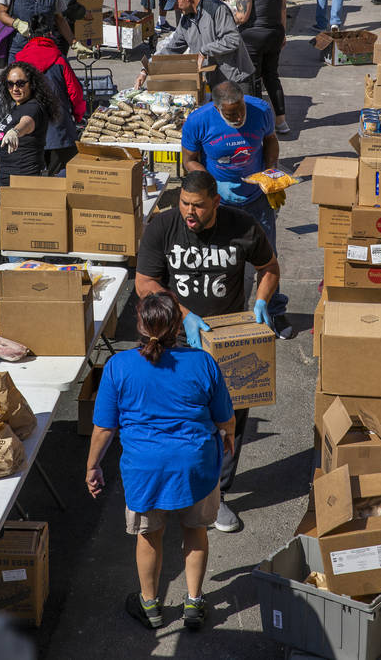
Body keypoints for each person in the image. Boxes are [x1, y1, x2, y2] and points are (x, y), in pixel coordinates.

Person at [135, 171, 279, 532]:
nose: (189, 212)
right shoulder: (164, 226)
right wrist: (182, 316)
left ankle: (217, 496)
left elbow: (269, 267)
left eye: (198, 206)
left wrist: (261, 300)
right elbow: (144, 283)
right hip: (174, 343)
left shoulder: (241, 225)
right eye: (185, 203)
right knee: (177, 419)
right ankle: (172, 493)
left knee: (229, 420)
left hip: (228, 342)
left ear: (216, 202)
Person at [87, 290, 234, 631]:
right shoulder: (203, 362)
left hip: (145, 468)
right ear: (178, 325)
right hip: (196, 464)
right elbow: (225, 418)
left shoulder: (118, 366)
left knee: (149, 535)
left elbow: (102, 429)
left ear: (139, 325)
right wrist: (226, 438)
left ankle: (150, 605)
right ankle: (194, 604)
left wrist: (92, 466)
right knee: (195, 530)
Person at [181, 79, 291, 331]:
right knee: (219, 258)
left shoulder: (261, 110)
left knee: (268, 256)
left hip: (256, 199)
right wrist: (211, 184)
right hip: (219, 202)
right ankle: (221, 315)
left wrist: (269, 170)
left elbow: (271, 139)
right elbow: (189, 160)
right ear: (218, 109)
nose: (240, 116)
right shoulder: (198, 121)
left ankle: (274, 310)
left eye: (241, 110)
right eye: (232, 114)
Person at [135, 0, 254, 92]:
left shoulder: (216, 9)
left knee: (243, 113)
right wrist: (146, 69)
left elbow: (233, 39)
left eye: (176, 4)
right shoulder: (185, 22)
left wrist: (205, 50)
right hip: (214, 81)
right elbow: (170, 49)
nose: (175, 9)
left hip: (236, 78)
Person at [14, 15, 86, 175]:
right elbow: (75, 93)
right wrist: (78, 116)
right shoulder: (59, 60)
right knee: (62, 183)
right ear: (50, 35)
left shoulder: (18, 62)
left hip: (28, 134)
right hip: (59, 134)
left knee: (35, 185)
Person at [234, 0, 288, 132]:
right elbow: (282, 9)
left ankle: (259, 124)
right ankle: (281, 122)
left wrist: (228, 15)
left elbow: (242, 17)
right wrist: (283, 33)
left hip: (253, 38)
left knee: (253, 79)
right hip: (275, 34)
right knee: (272, 77)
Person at [0, 61, 55, 185]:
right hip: (7, 176)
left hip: (25, 178)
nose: (15, 89)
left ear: (31, 84)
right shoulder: (17, 105)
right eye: (10, 84)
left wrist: (15, 131)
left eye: (20, 84)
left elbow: (26, 122)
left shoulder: (33, 107)